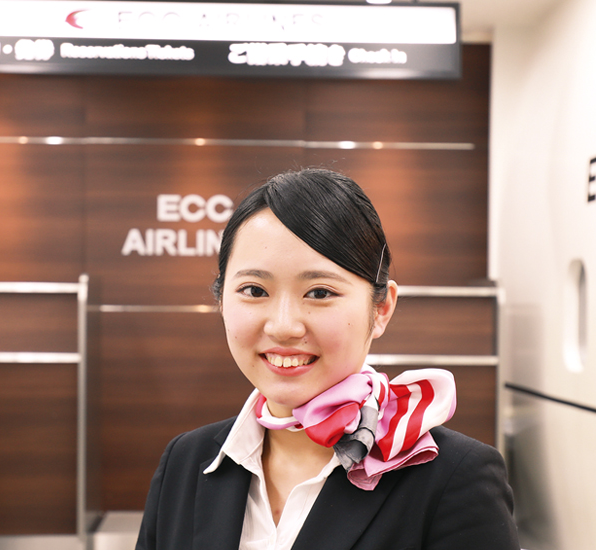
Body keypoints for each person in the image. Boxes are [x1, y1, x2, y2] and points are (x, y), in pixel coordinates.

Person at [136, 168, 519, 550]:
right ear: (221, 300)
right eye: (254, 290)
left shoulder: (455, 478)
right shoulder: (184, 463)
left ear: (381, 308)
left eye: (319, 293)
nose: (284, 326)